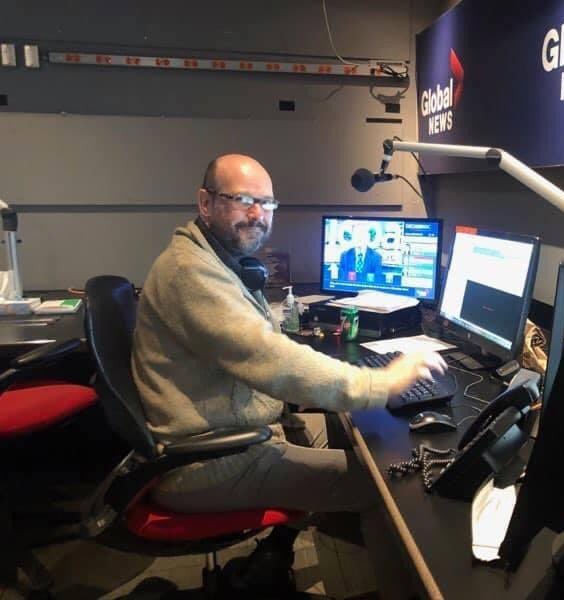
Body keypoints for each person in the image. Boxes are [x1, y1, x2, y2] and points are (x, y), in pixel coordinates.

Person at [131, 154, 446, 597]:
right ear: (205, 203)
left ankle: (275, 554)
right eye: (242, 200)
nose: (258, 214)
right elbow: (270, 359)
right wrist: (385, 383)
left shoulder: (214, 260)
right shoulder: (191, 274)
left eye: (267, 203)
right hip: (205, 463)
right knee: (385, 487)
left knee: (352, 439)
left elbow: (267, 353)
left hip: (231, 435)